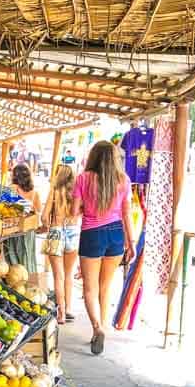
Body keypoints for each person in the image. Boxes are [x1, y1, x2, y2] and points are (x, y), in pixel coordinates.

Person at [74, 140, 135, 355]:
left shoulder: (83, 178)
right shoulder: (124, 180)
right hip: (116, 234)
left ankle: (97, 328)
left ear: (93, 157)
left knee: (89, 289)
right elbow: (127, 212)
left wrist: (85, 206)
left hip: (91, 234)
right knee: (105, 287)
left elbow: (75, 212)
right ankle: (102, 330)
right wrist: (131, 241)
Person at [40, 164, 81, 324]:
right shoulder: (76, 193)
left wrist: (46, 224)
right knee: (68, 274)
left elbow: (44, 217)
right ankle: (68, 308)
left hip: (56, 232)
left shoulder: (55, 192)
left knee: (58, 276)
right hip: (73, 231)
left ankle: (61, 313)